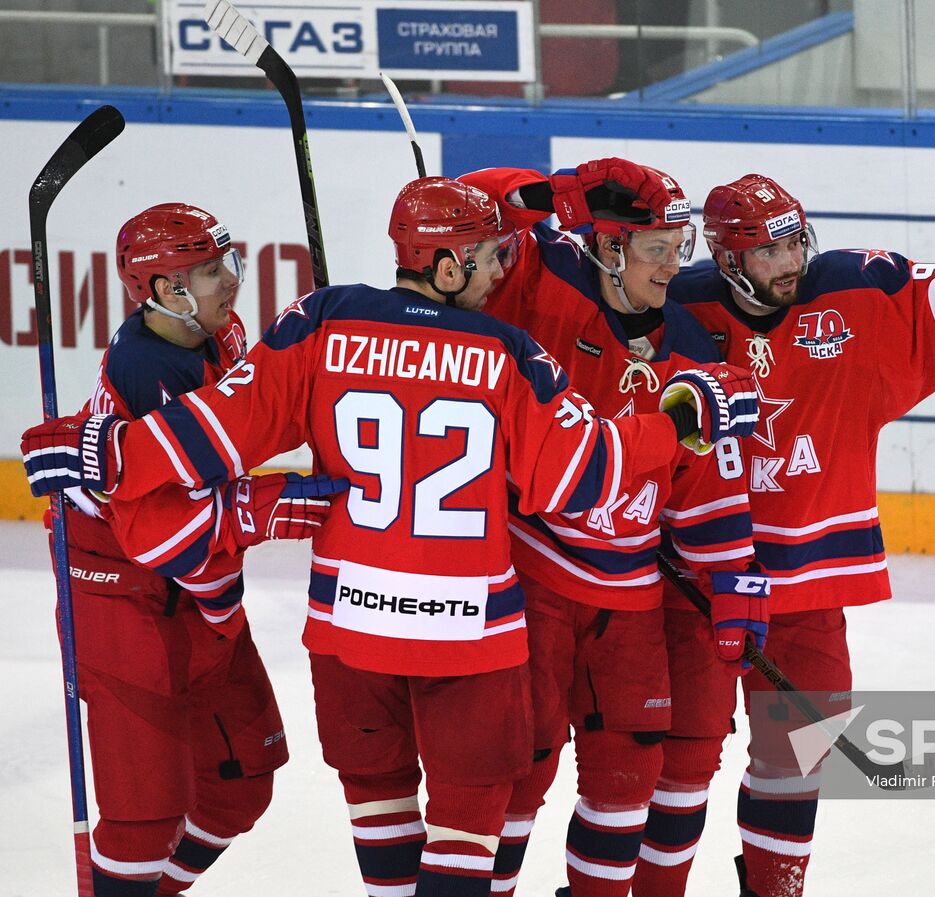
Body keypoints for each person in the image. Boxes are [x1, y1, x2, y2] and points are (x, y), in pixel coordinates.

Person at [21, 177, 759, 897]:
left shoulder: (320, 320)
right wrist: (681, 423)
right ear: (446, 266)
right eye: (490, 255)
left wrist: (111, 452)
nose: (506, 268)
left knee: (380, 800)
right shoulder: (511, 353)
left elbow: (214, 430)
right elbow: (586, 473)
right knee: (467, 828)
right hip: (469, 631)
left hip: (350, 628)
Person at [646, 172, 935, 896]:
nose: (791, 261)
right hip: (692, 585)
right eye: (770, 251)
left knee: (794, 765)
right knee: (676, 762)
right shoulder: (679, 304)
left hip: (806, 591)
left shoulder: (852, 292)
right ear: (728, 261)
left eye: (796, 242)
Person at [458, 159, 766, 897]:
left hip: (628, 595)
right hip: (526, 576)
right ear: (609, 245)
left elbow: (708, 488)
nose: (672, 265)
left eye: (678, 246)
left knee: (629, 778)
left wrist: (738, 591)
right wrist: (553, 188)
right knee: (521, 771)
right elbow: (470, 216)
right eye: (656, 247)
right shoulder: (543, 277)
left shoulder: (691, 344)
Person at [40, 203, 341, 897]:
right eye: (208, 271)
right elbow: (163, 533)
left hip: (195, 583)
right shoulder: (147, 372)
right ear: (162, 290)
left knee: (242, 780)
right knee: (143, 820)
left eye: (224, 262)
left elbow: (252, 414)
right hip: (118, 585)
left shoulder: (217, 331)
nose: (228, 282)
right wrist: (264, 508)